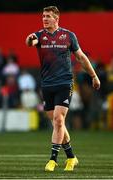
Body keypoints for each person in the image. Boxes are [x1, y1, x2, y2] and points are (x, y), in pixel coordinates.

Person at [26, 6, 100, 172]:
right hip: (47, 85)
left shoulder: (68, 36)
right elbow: (31, 43)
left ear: (56, 19)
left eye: (48, 16)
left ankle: (52, 160)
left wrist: (94, 76)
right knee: (57, 123)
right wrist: (30, 39)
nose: (44, 19)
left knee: (59, 120)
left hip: (64, 83)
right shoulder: (39, 35)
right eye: (43, 16)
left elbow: (81, 57)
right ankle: (72, 157)